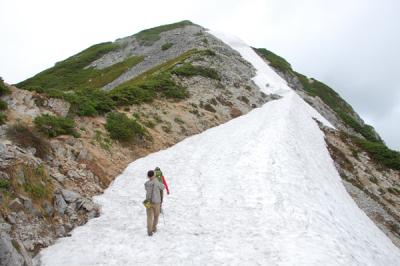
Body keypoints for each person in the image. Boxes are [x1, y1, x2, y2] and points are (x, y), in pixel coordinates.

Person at [144, 170, 165, 236]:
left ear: (148, 176)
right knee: (156, 216)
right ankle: (154, 228)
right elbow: (163, 187)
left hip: (148, 202)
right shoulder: (156, 182)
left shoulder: (146, 184)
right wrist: (156, 180)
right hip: (156, 202)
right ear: (153, 175)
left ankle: (149, 231)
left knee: (149, 217)